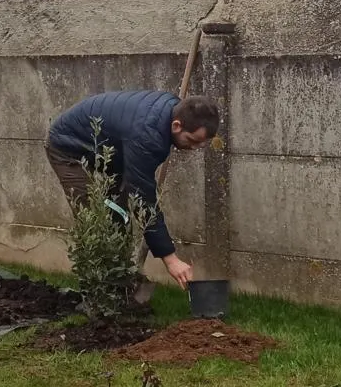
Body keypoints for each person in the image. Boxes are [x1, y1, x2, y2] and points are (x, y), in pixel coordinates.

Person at [45, 90, 220, 291]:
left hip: (110, 150)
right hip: (68, 147)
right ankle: (98, 295)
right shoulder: (148, 134)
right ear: (176, 126)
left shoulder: (170, 111)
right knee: (94, 221)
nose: (195, 148)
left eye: (202, 143)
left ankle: (121, 288)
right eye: (193, 140)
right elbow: (143, 198)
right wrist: (170, 259)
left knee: (118, 215)